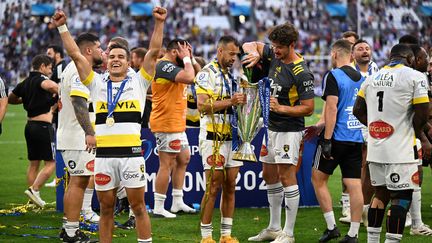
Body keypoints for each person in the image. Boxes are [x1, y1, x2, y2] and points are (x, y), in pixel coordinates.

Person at [52, 6, 167, 242]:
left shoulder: (139, 81)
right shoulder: (96, 82)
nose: (115, 60)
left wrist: (159, 23)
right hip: (103, 158)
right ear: (107, 62)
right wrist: (63, 26)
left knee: (139, 207)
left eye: (121, 57)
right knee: (105, 209)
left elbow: (154, 51)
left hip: (131, 157)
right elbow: (75, 54)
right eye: (112, 56)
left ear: (128, 62)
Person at [243, 23, 315, 243]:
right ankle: (274, 228)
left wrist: (281, 108)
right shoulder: (274, 55)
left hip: (288, 130)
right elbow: (248, 44)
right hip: (270, 128)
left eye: (280, 47)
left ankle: (289, 233)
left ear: (292, 45)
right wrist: (256, 52)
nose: (275, 50)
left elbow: (309, 107)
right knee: (269, 175)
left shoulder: (302, 72)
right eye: (273, 45)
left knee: (286, 176)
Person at [353, 44, 430, 243]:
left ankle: (372, 240)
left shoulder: (371, 78)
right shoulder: (415, 77)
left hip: (377, 148)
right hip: (401, 148)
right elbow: (421, 115)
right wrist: (418, 134)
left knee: (380, 194)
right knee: (402, 195)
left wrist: (374, 127)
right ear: (410, 59)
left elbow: (357, 110)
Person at [312, 39, 364, 243]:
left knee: (318, 179)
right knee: (354, 184)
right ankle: (353, 234)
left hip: (335, 137)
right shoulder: (360, 76)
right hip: (355, 137)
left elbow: (331, 108)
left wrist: (326, 139)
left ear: (334, 54)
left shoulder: (332, 75)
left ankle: (332, 227)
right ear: (351, 55)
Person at [195, 36, 244, 243]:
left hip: (232, 138)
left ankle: (226, 235)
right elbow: (203, 106)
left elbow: (234, 105)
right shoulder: (207, 74)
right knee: (213, 186)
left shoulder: (232, 76)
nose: (234, 58)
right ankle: (206, 237)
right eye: (231, 54)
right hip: (212, 138)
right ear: (220, 51)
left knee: (230, 185)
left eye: (236, 55)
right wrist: (231, 101)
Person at [56, 32, 103, 242]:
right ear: (89, 50)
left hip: (72, 135)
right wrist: (89, 132)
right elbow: (78, 102)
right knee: (78, 183)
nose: (104, 52)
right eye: (100, 47)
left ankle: (69, 227)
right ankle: (72, 233)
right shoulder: (78, 69)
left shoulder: (73, 67)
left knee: (76, 182)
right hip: (77, 137)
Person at [149, 38, 201, 218]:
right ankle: (158, 206)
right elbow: (189, 77)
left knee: (184, 158)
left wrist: (191, 58)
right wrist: (186, 59)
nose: (187, 54)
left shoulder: (178, 67)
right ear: (174, 52)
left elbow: (198, 78)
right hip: (166, 123)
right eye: (184, 51)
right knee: (167, 163)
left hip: (177, 123)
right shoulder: (163, 66)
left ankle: (177, 201)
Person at [8, 54, 59, 208]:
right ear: (42, 66)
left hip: (29, 127)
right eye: (49, 68)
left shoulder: (25, 83)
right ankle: (34, 190)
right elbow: (50, 86)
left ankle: (32, 200)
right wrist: (60, 89)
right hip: (43, 127)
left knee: (33, 164)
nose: (50, 72)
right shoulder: (41, 79)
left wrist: (27, 99)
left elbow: (11, 98)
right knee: (51, 163)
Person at [340, 39, 379, 225]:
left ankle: (362, 206)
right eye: (360, 49)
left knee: (367, 164)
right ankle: (349, 205)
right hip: (352, 121)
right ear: (352, 54)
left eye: (367, 48)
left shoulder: (376, 70)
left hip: (371, 122)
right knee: (355, 163)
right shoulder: (349, 72)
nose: (365, 51)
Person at [405, 44, 432, 236]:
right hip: (410, 135)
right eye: (426, 58)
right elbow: (419, 114)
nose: (429, 62)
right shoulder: (416, 78)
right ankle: (414, 222)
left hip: (403, 134)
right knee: (414, 175)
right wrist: (423, 135)